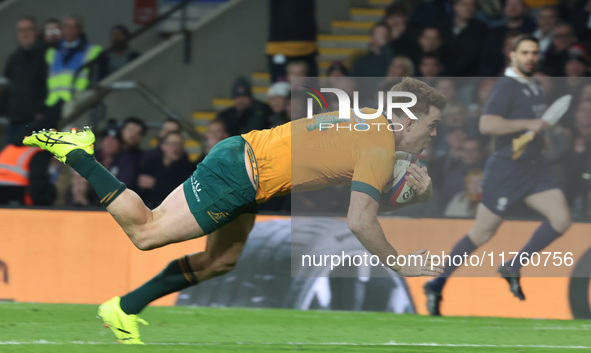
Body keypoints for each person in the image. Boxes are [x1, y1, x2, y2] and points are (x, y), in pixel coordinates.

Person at [24, 77, 446, 344]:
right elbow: (359, 219)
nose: (433, 134)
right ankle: (78, 153)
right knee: (146, 232)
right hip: (239, 174)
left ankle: (123, 309)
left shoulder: (371, 122)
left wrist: (415, 195)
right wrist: (402, 264)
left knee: (220, 261)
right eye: (431, 126)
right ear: (407, 122)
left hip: (248, 170)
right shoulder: (378, 144)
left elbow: (364, 200)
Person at [424, 34, 572, 316]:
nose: (530, 57)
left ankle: (514, 265)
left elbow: (529, 129)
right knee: (482, 233)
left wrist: (540, 138)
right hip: (506, 170)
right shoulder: (506, 87)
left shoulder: (536, 86)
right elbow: (487, 124)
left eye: (534, 53)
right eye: (525, 53)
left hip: (533, 167)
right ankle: (437, 282)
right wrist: (529, 124)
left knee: (562, 219)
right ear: (512, 56)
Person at [44, 14, 102, 125]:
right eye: (66, 26)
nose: (69, 30)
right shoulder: (52, 52)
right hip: (52, 105)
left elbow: (96, 80)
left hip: (76, 104)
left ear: (80, 30)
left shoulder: (92, 51)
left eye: (73, 27)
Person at [2, 16, 48, 144]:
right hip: (14, 121)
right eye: (21, 30)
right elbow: (6, 87)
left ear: (36, 31)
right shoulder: (14, 58)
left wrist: (41, 111)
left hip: (35, 121)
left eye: (29, 29)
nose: (25, 34)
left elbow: (50, 86)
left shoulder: (46, 55)